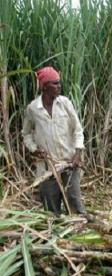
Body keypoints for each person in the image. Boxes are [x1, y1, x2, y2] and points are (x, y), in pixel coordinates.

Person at [22, 66, 86, 215]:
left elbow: (78, 130)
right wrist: (33, 149)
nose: (59, 86)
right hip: (47, 168)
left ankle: (78, 234)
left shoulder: (65, 103)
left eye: (59, 83)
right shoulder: (33, 109)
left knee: (75, 206)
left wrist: (77, 154)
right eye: (55, 83)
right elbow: (25, 134)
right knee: (51, 211)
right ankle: (55, 236)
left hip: (69, 164)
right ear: (44, 87)